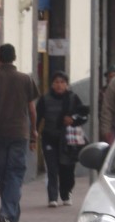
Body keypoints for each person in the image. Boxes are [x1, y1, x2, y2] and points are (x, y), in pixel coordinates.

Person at [0, 43, 38, 222]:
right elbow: (31, 109)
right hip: (20, 132)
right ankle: (7, 213)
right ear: (14, 58)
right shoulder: (25, 79)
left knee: (3, 173)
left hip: (0, 131)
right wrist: (34, 131)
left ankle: (10, 214)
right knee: (15, 173)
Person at [36, 71, 89, 208]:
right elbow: (38, 118)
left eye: (62, 82)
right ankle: (52, 197)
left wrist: (73, 119)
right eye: (56, 82)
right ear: (52, 84)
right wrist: (33, 135)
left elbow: (83, 115)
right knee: (52, 168)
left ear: (67, 84)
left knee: (67, 168)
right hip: (49, 138)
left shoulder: (73, 98)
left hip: (68, 141)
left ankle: (66, 193)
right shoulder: (45, 99)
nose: (59, 85)